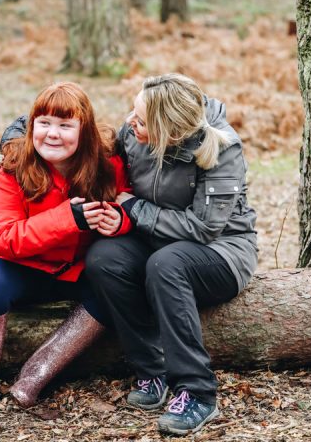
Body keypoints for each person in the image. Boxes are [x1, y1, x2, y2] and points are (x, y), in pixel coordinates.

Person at [0, 81, 132, 411]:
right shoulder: (13, 169)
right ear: (32, 126)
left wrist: (119, 221)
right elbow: (3, 239)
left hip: (78, 269)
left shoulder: (107, 165)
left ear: (84, 131)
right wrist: (68, 219)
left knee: (114, 287)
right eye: (44, 123)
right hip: (25, 265)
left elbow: (125, 207)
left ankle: (35, 376)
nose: (52, 134)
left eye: (65, 125)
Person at [85, 73, 258, 435]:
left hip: (221, 251)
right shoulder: (133, 134)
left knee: (167, 265)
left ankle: (197, 392)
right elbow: (86, 148)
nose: (130, 123)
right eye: (132, 113)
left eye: (141, 120)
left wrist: (132, 208)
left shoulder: (222, 149)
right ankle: (153, 371)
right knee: (104, 259)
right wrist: (17, 145)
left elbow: (204, 228)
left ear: (169, 129)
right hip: (155, 241)